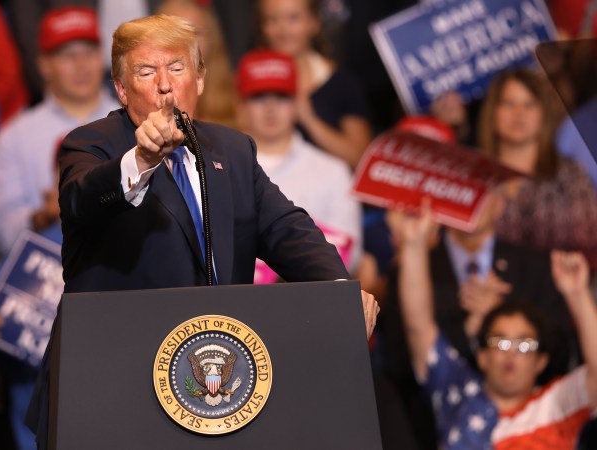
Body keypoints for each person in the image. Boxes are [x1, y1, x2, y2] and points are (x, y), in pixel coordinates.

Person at [25, 14, 379, 448]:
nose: (165, 85)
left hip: (211, 394)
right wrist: (142, 159)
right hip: (109, 387)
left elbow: (286, 228)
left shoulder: (232, 148)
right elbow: (83, 196)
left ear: (201, 80)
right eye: (145, 71)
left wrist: (339, 291)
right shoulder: (89, 144)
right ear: (121, 88)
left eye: (176, 68)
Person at [394, 200, 597, 449]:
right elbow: (419, 328)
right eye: (500, 342)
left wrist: (578, 295)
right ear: (482, 357)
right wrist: (414, 245)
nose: (510, 353)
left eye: (523, 345)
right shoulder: (458, 391)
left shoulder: (558, 403)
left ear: (541, 361)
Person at [0, 6, 119, 263]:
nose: (81, 65)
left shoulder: (134, 123)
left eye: (89, 52)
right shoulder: (14, 137)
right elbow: (3, 233)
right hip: (49, 279)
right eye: (67, 55)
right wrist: (45, 214)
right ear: (44, 65)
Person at [236, 49, 362, 277]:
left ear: (298, 102)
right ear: (241, 105)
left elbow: (349, 257)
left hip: (311, 301)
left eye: (281, 96)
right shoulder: (216, 168)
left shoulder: (332, 171)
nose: (270, 107)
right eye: (259, 96)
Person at [478, 68, 597, 269]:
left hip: (561, 292)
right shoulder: (473, 175)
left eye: (529, 104)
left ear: (544, 113)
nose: (518, 113)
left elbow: (591, 247)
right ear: (492, 113)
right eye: (509, 103)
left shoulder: (570, 176)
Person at [255, 0, 372, 169]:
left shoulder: (342, 82)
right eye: (272, 19)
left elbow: (361, 160)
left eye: (293, 18)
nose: (282, 29)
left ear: (314, 22)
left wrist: (310, 120)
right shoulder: (249, 80)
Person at [158, 0, 239, 128]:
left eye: (194, 33)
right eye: (174, 34)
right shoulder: (139, 106)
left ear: (212, 39)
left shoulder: (239, 99)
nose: (185, 44)